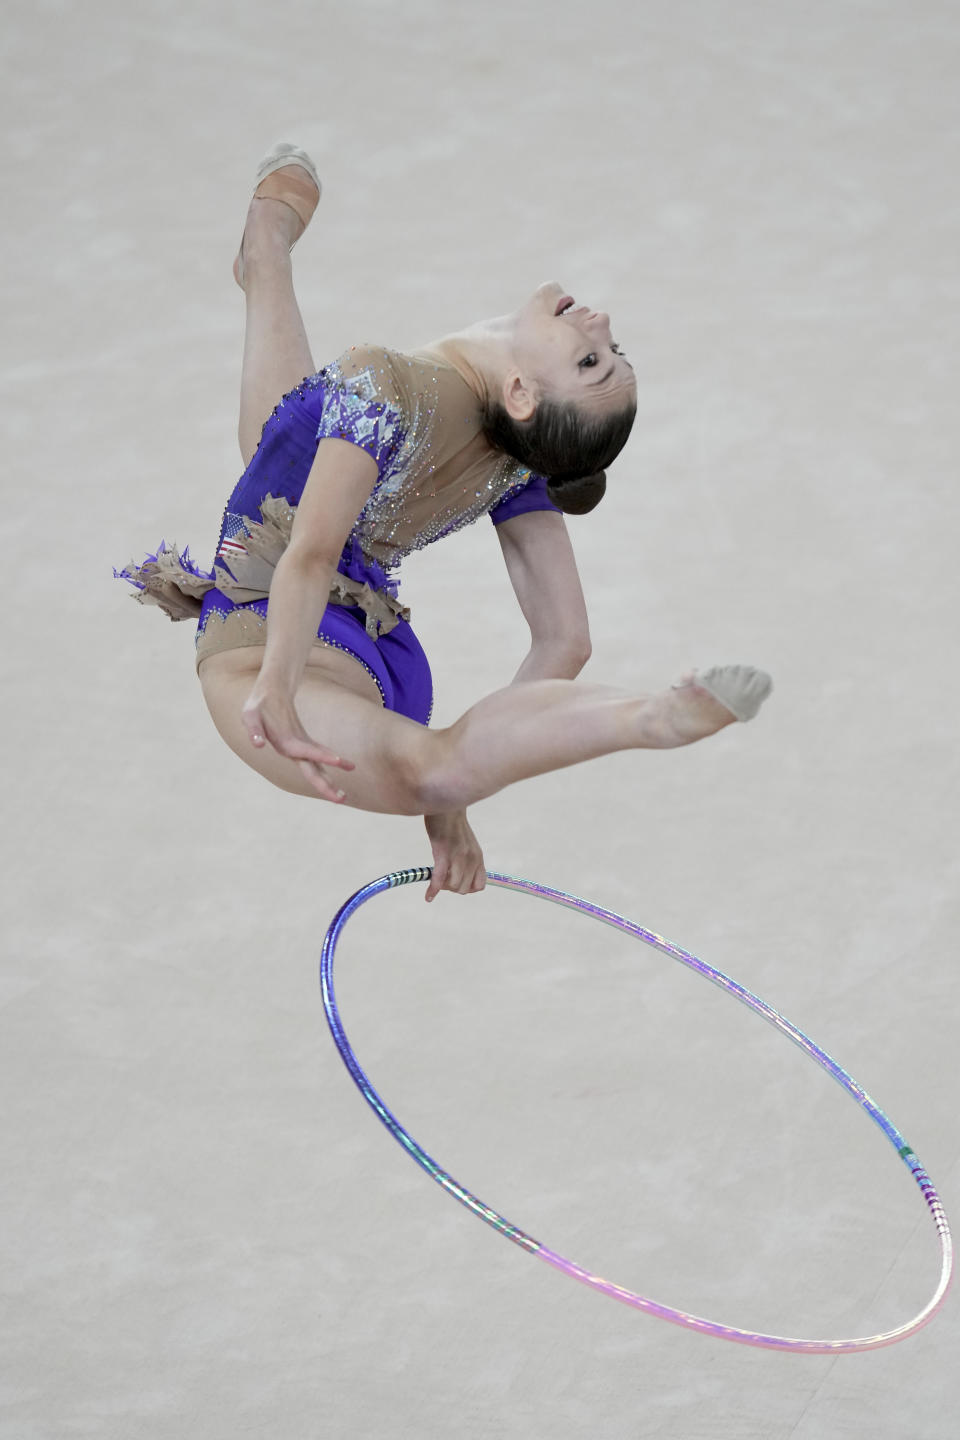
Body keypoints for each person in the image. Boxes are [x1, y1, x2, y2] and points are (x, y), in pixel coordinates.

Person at [117, 144, 772, 902]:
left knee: (288, 456)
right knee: (282, 451)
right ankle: (265, 245)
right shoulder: (420, 405)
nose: (600, 320)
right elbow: (564, 641)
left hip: (274, 639)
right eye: (607, 352)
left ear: (523, 394)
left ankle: (649, 719)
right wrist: (440, 788)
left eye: (591, 361)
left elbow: (321, 554)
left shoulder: (399, 394)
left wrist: (277, 684)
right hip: (305, 628)